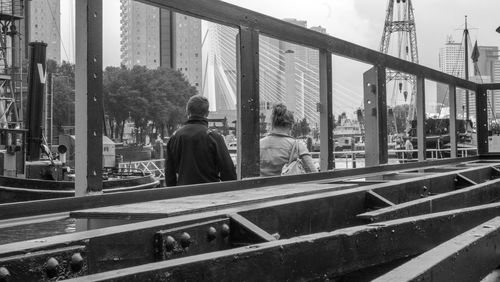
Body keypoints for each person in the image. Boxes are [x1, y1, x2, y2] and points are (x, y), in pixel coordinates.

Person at [166, 95, 236, 186]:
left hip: (182, 193)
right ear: (207, 113)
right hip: (210, 193)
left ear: (187, 111)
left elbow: (169, 172)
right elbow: (228, 171)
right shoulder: (214, 137)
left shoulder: (174, 137)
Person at [260, 103, 318, 176]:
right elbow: (314, 174)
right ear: (291, 125)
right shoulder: (297, 146)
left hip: (262, 187)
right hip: (287, 187)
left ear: (272, 124)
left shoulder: (259, 145)